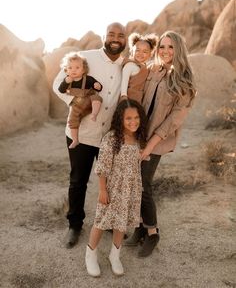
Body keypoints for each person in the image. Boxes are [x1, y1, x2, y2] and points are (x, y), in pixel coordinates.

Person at [53, 22, 126, 249]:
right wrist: (78, 103)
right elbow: (58, 84)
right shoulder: (85, 57)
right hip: (82, 133)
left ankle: (109, 221)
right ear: (105, 36)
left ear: (125, 40)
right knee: (78, 181)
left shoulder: (127, 65)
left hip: (109, 136)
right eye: (111, 34)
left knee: (111, 182)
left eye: (120, 35)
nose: (115, 39)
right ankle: (75, 225)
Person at [125, 31, 197, 257]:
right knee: (135, 183)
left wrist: (148, 147)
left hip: (157, 140)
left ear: (179, 50)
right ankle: (139, 228)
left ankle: (153, 232)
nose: (165, 52)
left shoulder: (184, 81)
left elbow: (172, 121)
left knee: (144, 184)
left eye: (171, 47)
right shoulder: (154, 71)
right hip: (139, 135)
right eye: (162, 47)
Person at [85, 99, 147, 277]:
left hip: (130, 188)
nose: (133, 122)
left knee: (122, 222)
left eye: (136, 117)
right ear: (120, 119)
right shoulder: (112, 139)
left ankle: (115, 255)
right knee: (101, 221)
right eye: (128, 118)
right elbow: (102, 168)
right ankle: (90, 254)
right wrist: (103, 190)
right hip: (112, 188)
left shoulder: (139, 138)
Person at [58, 52, 103, 149]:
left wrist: (97, 86)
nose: (73, 70)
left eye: (77, 68)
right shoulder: (67, 80)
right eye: (70, 68)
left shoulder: (88, 79)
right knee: (72, 119)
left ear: (83, 70)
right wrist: (65, 82)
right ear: (66, 70)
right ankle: (75, 140)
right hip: (77, 105)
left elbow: (99, 88)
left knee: (97, 98)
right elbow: (61, 90)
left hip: (89, 101)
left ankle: (94, 114)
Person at [120, 32, 158, 104]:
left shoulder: (145, 66)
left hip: (139, 98)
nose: (140, 53)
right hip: (128, 98)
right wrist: (123, 95)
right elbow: (124, 81)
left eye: (145, 52)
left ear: (150, 54)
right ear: (131, 51)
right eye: (137, 50)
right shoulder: (130, 65)